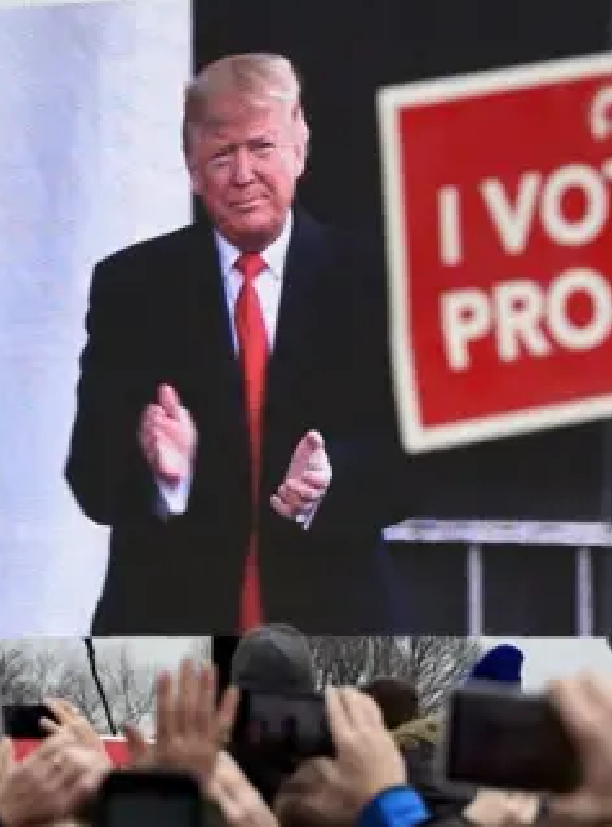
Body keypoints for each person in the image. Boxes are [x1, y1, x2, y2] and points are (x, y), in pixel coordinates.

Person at [66, 52, 412, 636]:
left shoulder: (373, 278)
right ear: (192, 168)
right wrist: (165, 478)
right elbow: (91, 478)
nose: (243, 173)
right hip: (169, 630)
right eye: (222, 154)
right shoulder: (130, 286)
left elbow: (413, 466)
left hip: (336, 628)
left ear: (300, 147)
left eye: (262, 147)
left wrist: (330, 484)